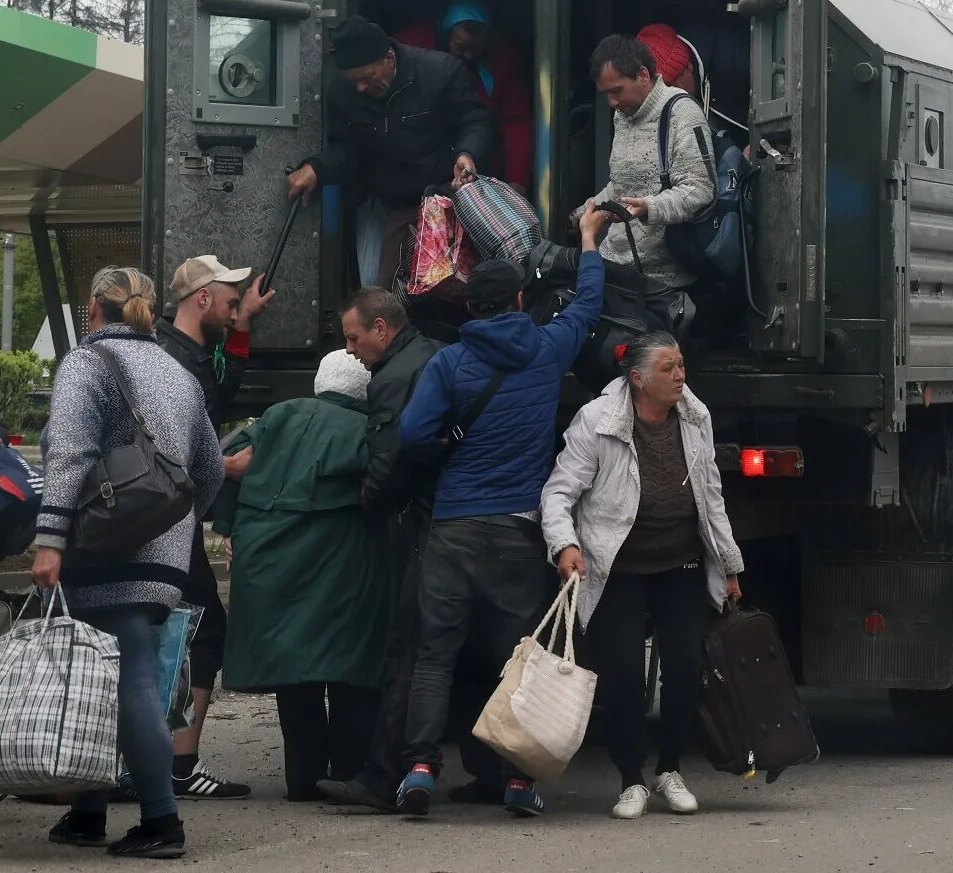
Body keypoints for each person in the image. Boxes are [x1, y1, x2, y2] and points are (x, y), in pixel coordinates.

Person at [390, 205, 611, 818]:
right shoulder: (545, 349)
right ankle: (516, 780)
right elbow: (589, 307)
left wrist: (444, 452)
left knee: (436, 653)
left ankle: (419, 770)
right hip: (520, 530)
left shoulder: (450, 362)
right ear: (519, 298)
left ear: (470, 308)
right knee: (515, 657)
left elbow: (412, 435)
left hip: (455, 526)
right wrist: (588, 241)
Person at [32, 267, 226, 860]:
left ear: (94, 310)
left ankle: (162, 822)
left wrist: (49, 539)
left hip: (103, 545)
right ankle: (88, 812)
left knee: (129, 676)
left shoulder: (88, 364)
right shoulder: (175, 371)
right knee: (115, 676)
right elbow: (210, 470)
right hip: (163, 552)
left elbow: (68, 455)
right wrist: (174, 524)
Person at [541, 331, 746, 819]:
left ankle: (670, 768)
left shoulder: (696, 419)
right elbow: (558, 492)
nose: (680, 375)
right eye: (667, 368)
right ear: (636, 379)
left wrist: (730, 565)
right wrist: (564, 545)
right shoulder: (598, 421)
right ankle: (630, 778)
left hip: (682, 563)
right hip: (619, 569)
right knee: (625, 675)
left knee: (685, 669)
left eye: (681, 364)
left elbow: (711, 498)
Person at [318, 289, 499, 812]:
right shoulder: (436, 352)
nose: (350, 350)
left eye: (353, 338)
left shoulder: (394, 378)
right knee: (478, 645)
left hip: (426, 522)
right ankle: (491, 768)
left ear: (381, 329)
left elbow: (392, 459)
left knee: (411, 648)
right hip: (475, 514)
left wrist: (369, 502)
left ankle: (384, 775)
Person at [212, 351, 389, 801]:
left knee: (295, 676)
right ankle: (349, 772)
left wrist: (230, 528)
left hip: (273, 562)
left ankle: (303, 779)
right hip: (344, 564)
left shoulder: (278, 415)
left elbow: (230, 458)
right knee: (352, 669)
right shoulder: (368, 428)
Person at [150, 254, 275, 802]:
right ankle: (176, 767)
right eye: (227, 299)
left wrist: (243, 324)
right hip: (164, 518)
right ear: (201, 298)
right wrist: (221, 467)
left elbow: (218, 397)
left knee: (171, 627)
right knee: (204, 628)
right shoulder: (171, 359)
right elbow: (162, 440)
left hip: (165, 515)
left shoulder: (183, 351)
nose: (231, 306)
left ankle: (160, 762)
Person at [288, 15, 494, 287]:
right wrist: (317, 167)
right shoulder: (342, 93)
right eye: (354, 81)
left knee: (443, 288)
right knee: (374, 288)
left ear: (388, 59)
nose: (360, 87)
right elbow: (349, 149)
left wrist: (466, 153)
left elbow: (475, 121)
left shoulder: (442, 72)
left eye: (367, 77)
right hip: (382, 200)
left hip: (440, 198)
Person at [577, 33, 717, 290]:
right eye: (605, 94)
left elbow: (701, 190)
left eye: (616, 91)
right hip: (616, 265)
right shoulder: (623, 114)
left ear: (643, 75)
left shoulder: (682, 112)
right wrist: (589, 208)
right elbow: (624, 185)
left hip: (665, 281)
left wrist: (650, 208)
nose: (612, 103)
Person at [401, 0, 536, 192]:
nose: (468, 56)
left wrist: (517, 179)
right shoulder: (413, 47)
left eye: (476, 48)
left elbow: (516, 122)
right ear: (445, 32)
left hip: (481, 169)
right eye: (460, 46)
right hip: (419, 172)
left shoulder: (502, 61)